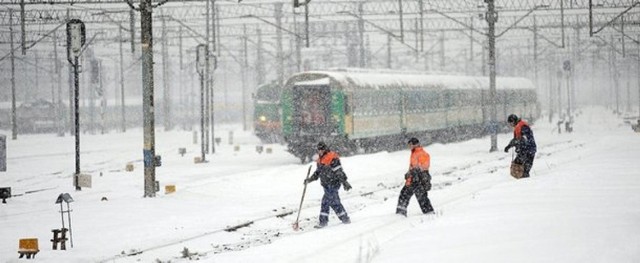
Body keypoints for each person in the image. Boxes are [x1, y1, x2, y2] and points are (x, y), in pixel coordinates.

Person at [304, 142, 352, 228]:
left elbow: (339, 171)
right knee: (334, 203)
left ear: (325, 149)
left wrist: (345, 182)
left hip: (333, 183)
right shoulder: (320, 159)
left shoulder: (332, 157)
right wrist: (309, 180)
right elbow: (318, 173)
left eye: (322, 149)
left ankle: (323, 222)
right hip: (326, 185)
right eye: (319, 150)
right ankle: (345, 218)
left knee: (325, 202)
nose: (320, 151)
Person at [396, 137, 434, 216]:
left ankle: (401, 212)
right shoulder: (414, 153)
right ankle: (428, 212)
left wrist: (414, 172)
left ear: (415, 144)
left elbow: (424, 166)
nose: (409, 147)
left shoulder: (422, 153)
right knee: (409, 194)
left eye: (410, 145)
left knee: (417, 196)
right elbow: (413, 166)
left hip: (418, 179)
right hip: (413, 179)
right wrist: (409, 173)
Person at [504, 114, 537, 178]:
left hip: (528, 151)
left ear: (513, 121)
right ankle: (523, 182)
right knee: (518, 169)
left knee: (521, 170)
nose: (510, 125)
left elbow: (523, 138)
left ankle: (524, 184)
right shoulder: (518, 127)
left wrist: (518, 144)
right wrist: (509, 146)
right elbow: (516, 139)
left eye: (510, 123)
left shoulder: (523, 126)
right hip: (525, 151)